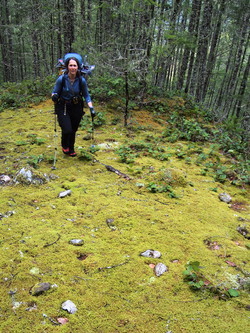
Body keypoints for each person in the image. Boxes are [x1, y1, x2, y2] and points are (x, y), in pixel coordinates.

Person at [51, 57, 96, 157]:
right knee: (67, 129)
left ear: (78, 67)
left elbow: (86, 95)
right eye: (70, 65)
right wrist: (54, 96)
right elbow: (54, 92)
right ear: (67, 67)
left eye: (74, 65)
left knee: (74, 129)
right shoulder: (61, 79)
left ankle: (71, 148)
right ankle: (64, 145)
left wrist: (91, 108)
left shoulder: (81, 80)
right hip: (63, 106)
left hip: (77, 107)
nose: (73, 68)